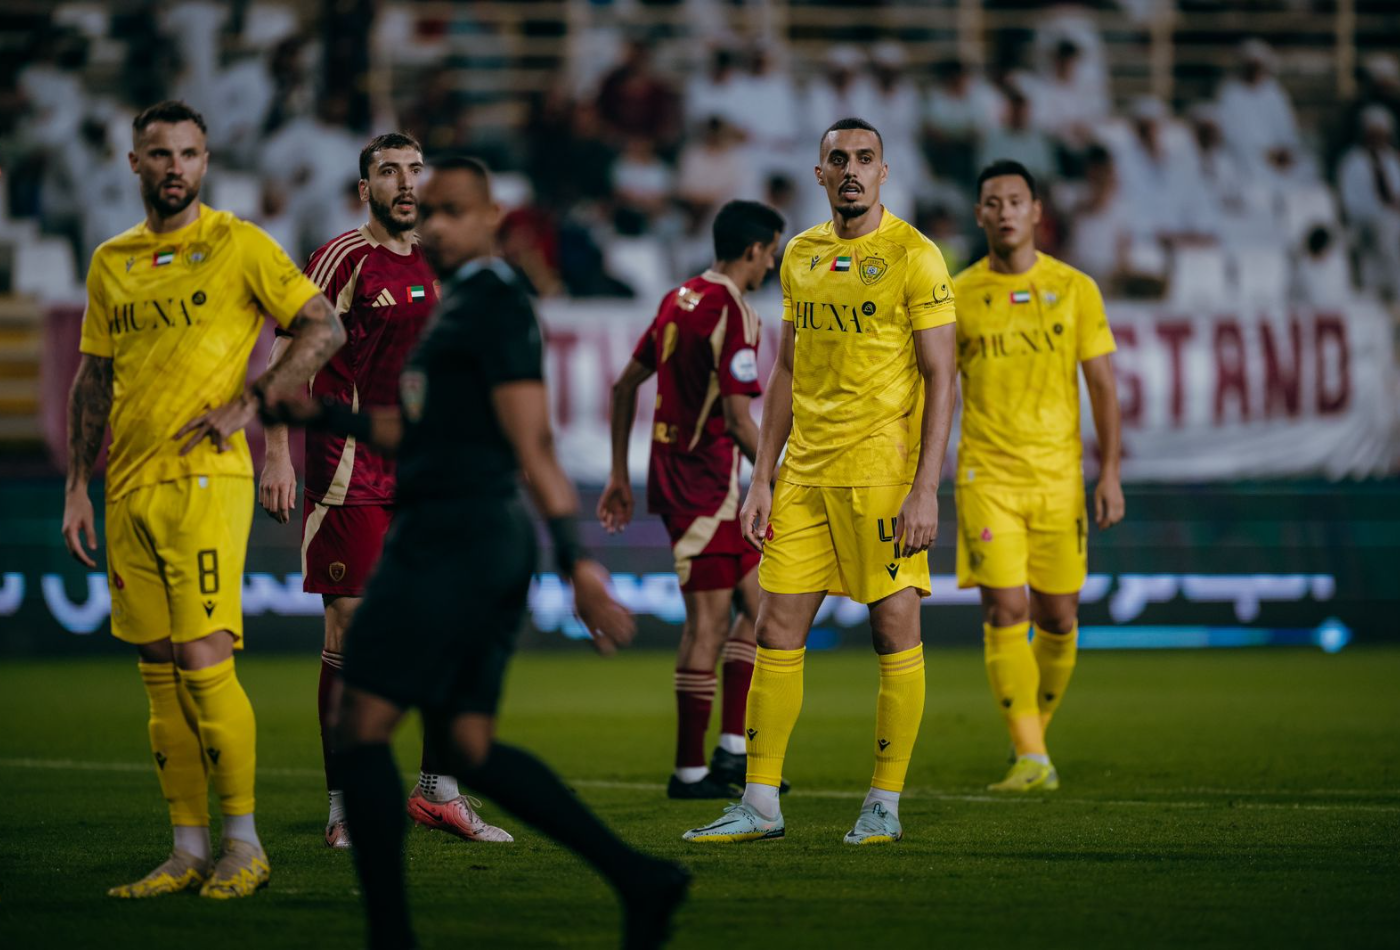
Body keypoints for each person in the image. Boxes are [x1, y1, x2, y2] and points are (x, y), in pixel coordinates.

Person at [264, 156, 688, 950]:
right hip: (458, 537)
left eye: (454, 210)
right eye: (431, 211)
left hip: (456, 540)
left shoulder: (494, 306)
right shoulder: (457, 307)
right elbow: (412, 429)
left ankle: (390, 934)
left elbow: (536, 444)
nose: (436, 224)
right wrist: (318, 422)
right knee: (468, 746)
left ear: (495, 218)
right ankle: (641, 878)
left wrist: (579, 563)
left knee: (363, 727)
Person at [60, 100, 345, 898]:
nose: (175, 166)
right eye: (160, 153)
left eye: (189, 152)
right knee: (157, 670)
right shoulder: (110, 260)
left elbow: (322, 327)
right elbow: (94, 377)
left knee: (202, 659)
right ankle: (186, 850)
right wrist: (78, 485)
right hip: (127, 485)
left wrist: (253, 401)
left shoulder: (237, 243)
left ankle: (243, 844)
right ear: (135, 164)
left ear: (206, 162)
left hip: (209, 480)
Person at [682, 118, 958, 846]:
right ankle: (761, 802)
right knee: (775, 627)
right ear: (819, 174)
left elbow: (941, 379)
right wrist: (763, 477)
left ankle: (883, 803)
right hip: (804, 473)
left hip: (883, 476)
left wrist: (926, 487)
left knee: (892, 628)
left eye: (866, 158)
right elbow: (787, 371)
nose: (852, 171)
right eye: (838, 159)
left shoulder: (915, 256)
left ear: (885, 172)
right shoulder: (800, 254)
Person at [258, 132, 512, 849]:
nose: (406, 183)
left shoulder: (446, 261)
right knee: (351, 631)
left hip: (431, 475)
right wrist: (277, 451)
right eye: (389, 172)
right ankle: (345, 806)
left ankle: (438, 792)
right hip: (349, 470)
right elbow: (287, 354)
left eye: (414, 170)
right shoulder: (343, 258)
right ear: (364, 186)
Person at [599, 199, 785, 799]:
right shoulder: (736, 314)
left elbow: (625, 384)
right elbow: (737, 419)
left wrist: (619, 476)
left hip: (692, 483)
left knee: (762, 609)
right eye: (770, 258)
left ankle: (732, 751)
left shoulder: (678, 298)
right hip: (701, 489)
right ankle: (689, 772)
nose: (769, 270)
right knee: (707, 624)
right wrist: (783, 477)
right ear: (754, 249)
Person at [951, 160, 1124, 792]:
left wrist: (1109, 474)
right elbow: (937, 386)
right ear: (979, 215)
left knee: (1057, 617)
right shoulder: (957, 294)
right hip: (985, 476)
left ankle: (1033, 738)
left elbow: (1102, 386)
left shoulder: (1076, 288)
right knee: (1006, 607)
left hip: (1059, 479)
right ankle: (1030, 755)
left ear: (1036, 211)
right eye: (991, 201)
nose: (1003, 211)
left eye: (1015, 200)